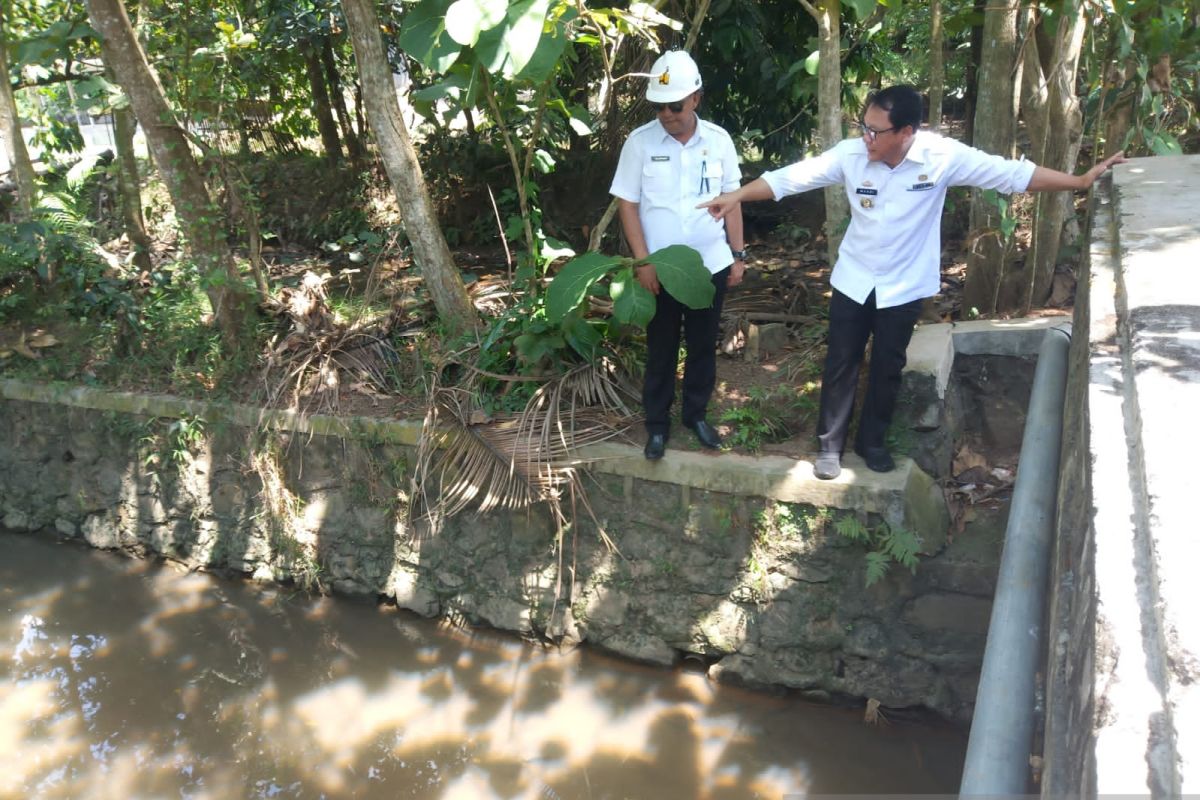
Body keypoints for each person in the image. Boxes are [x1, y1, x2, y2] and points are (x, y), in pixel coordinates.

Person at [700, 85, 1125, 479]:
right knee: (842, 362)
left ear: (907, 132)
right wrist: (736, 195)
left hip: (903, 285)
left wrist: (1081, 181)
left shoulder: (941, 156)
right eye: (862, 127)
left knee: (887, 365)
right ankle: (829, 447)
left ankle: (872, 443)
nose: (866, 137)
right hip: (854, 278)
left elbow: (1011, 174)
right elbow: (791, 177)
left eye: (875, 131)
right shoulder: (851, 155)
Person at [609, 50, 747, 460]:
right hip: (661, 270)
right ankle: (656, 425)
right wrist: (644, 261)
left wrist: (738, 255)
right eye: (659, 107)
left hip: (710, 265)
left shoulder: (719, 141)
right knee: (662, 346)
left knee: (703, 344)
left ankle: (696, 415)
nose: (667, 114)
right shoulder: (640, 143)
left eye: (675, 105)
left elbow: (733, 200)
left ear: (696, 99)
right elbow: (627, 204)